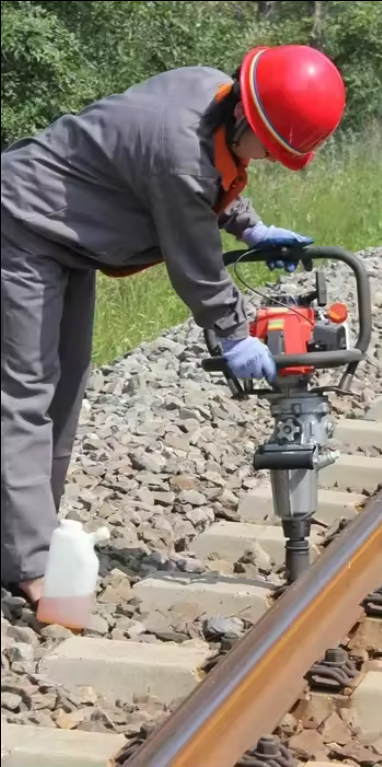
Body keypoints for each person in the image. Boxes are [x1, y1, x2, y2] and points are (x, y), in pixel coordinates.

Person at [1, 44, 347, 605]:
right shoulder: (178, 153)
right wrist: (233, 335)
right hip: (21, 222)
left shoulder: (210, 92)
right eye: (268, 148)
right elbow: (196, 262)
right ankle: (31, 563)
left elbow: (213, 176)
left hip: (69, 234)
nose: (262, 160)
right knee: (25, 391)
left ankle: (24, 537)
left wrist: (251, 227)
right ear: (248, 117)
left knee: (65, 385)